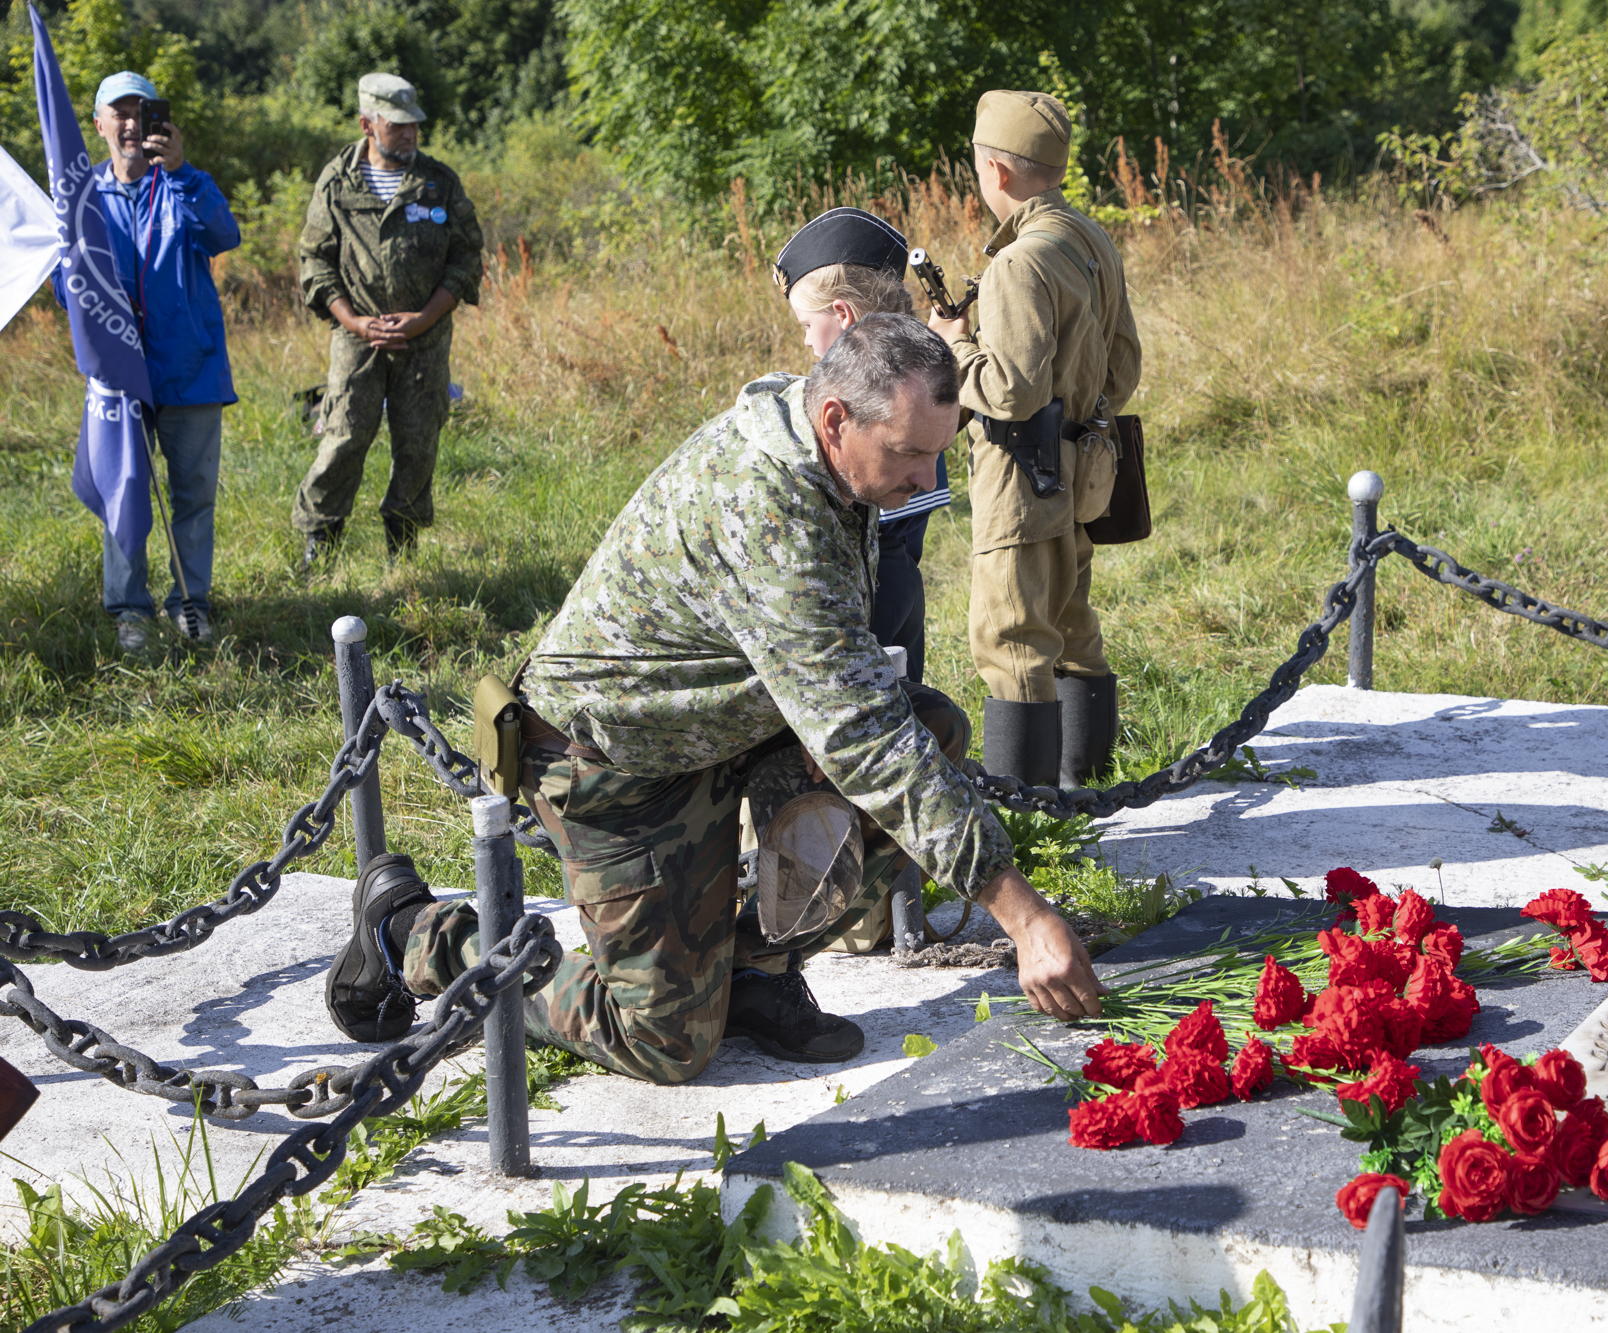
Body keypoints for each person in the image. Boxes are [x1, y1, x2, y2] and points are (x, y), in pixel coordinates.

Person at [325, 314, 1105, 1083]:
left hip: (716, 727)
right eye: (909, 453)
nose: (927, 481)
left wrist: (814, 718)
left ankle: (754, 971)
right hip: (613, 766)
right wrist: (1025, 917)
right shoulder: (765, 506)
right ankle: (416, 934)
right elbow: (867, 738)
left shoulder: (823, 447)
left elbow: (841, 671)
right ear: (836, 419)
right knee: (662, 1039)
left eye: (939, 452)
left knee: (926, 729)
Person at [929, 91, 1142, 789]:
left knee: (1012, 639)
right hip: (1083, 467)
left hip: (1020, 477)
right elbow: (1123, 368)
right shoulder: (1091, 239)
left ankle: (1031, 822)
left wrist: (955, 348)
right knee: (1071, 623)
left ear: (995, 171)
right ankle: (1089, 785)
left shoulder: (1018, 263)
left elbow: (1012, 392)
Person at [78, 71, 240, 653]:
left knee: (193, 494)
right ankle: (130, 610)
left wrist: (180, 171)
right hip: (121, 377)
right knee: (123, 492)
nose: (130, 124)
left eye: (141, 112)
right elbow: (67, 281)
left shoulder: (183, 183)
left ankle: (190, 603)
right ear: (99, 123)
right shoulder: (84, 198)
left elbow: (223, 234)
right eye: (119, 113)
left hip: (190, 370)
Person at [293, 73, 482, 569]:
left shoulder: (439, 183)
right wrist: (354, 322)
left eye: (413, 124)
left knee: (418, 442)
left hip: (425, 340)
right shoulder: (338, 181)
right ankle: (320, 543)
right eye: (396, 125)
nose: (409, 133)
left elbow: (466, 258)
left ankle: (404, 550)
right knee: (345, 436)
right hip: (357, 340)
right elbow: (315, 261)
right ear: (367, 124)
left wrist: (423, 318)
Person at [771, 207, 952, 682]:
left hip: (868, 586)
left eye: (806, 325)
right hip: (903, 577)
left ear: (843, 315)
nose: (807, 342)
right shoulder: (918, 392)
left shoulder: (866, 415)